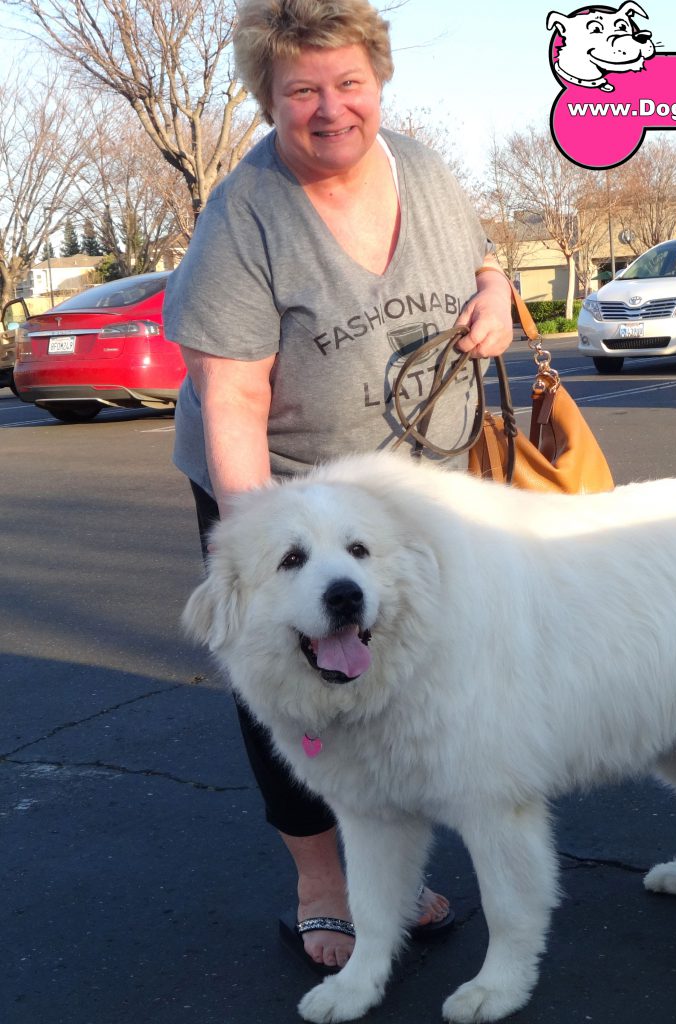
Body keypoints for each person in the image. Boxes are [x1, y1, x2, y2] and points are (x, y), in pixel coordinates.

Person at [164, 0, 514, 974]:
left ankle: (390, 859)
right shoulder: (247, 213)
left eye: (347, 82)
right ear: (268, 98)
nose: (330, 108)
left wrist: (494, 294)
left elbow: (484, 260)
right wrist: (255, 550)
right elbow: (230, 398)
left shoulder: (428, 171)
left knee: (395, 669)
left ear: (380, 79)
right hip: (280, 492)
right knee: (296, 684)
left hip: (404, 495)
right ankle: (328, 883)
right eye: (301, 90)